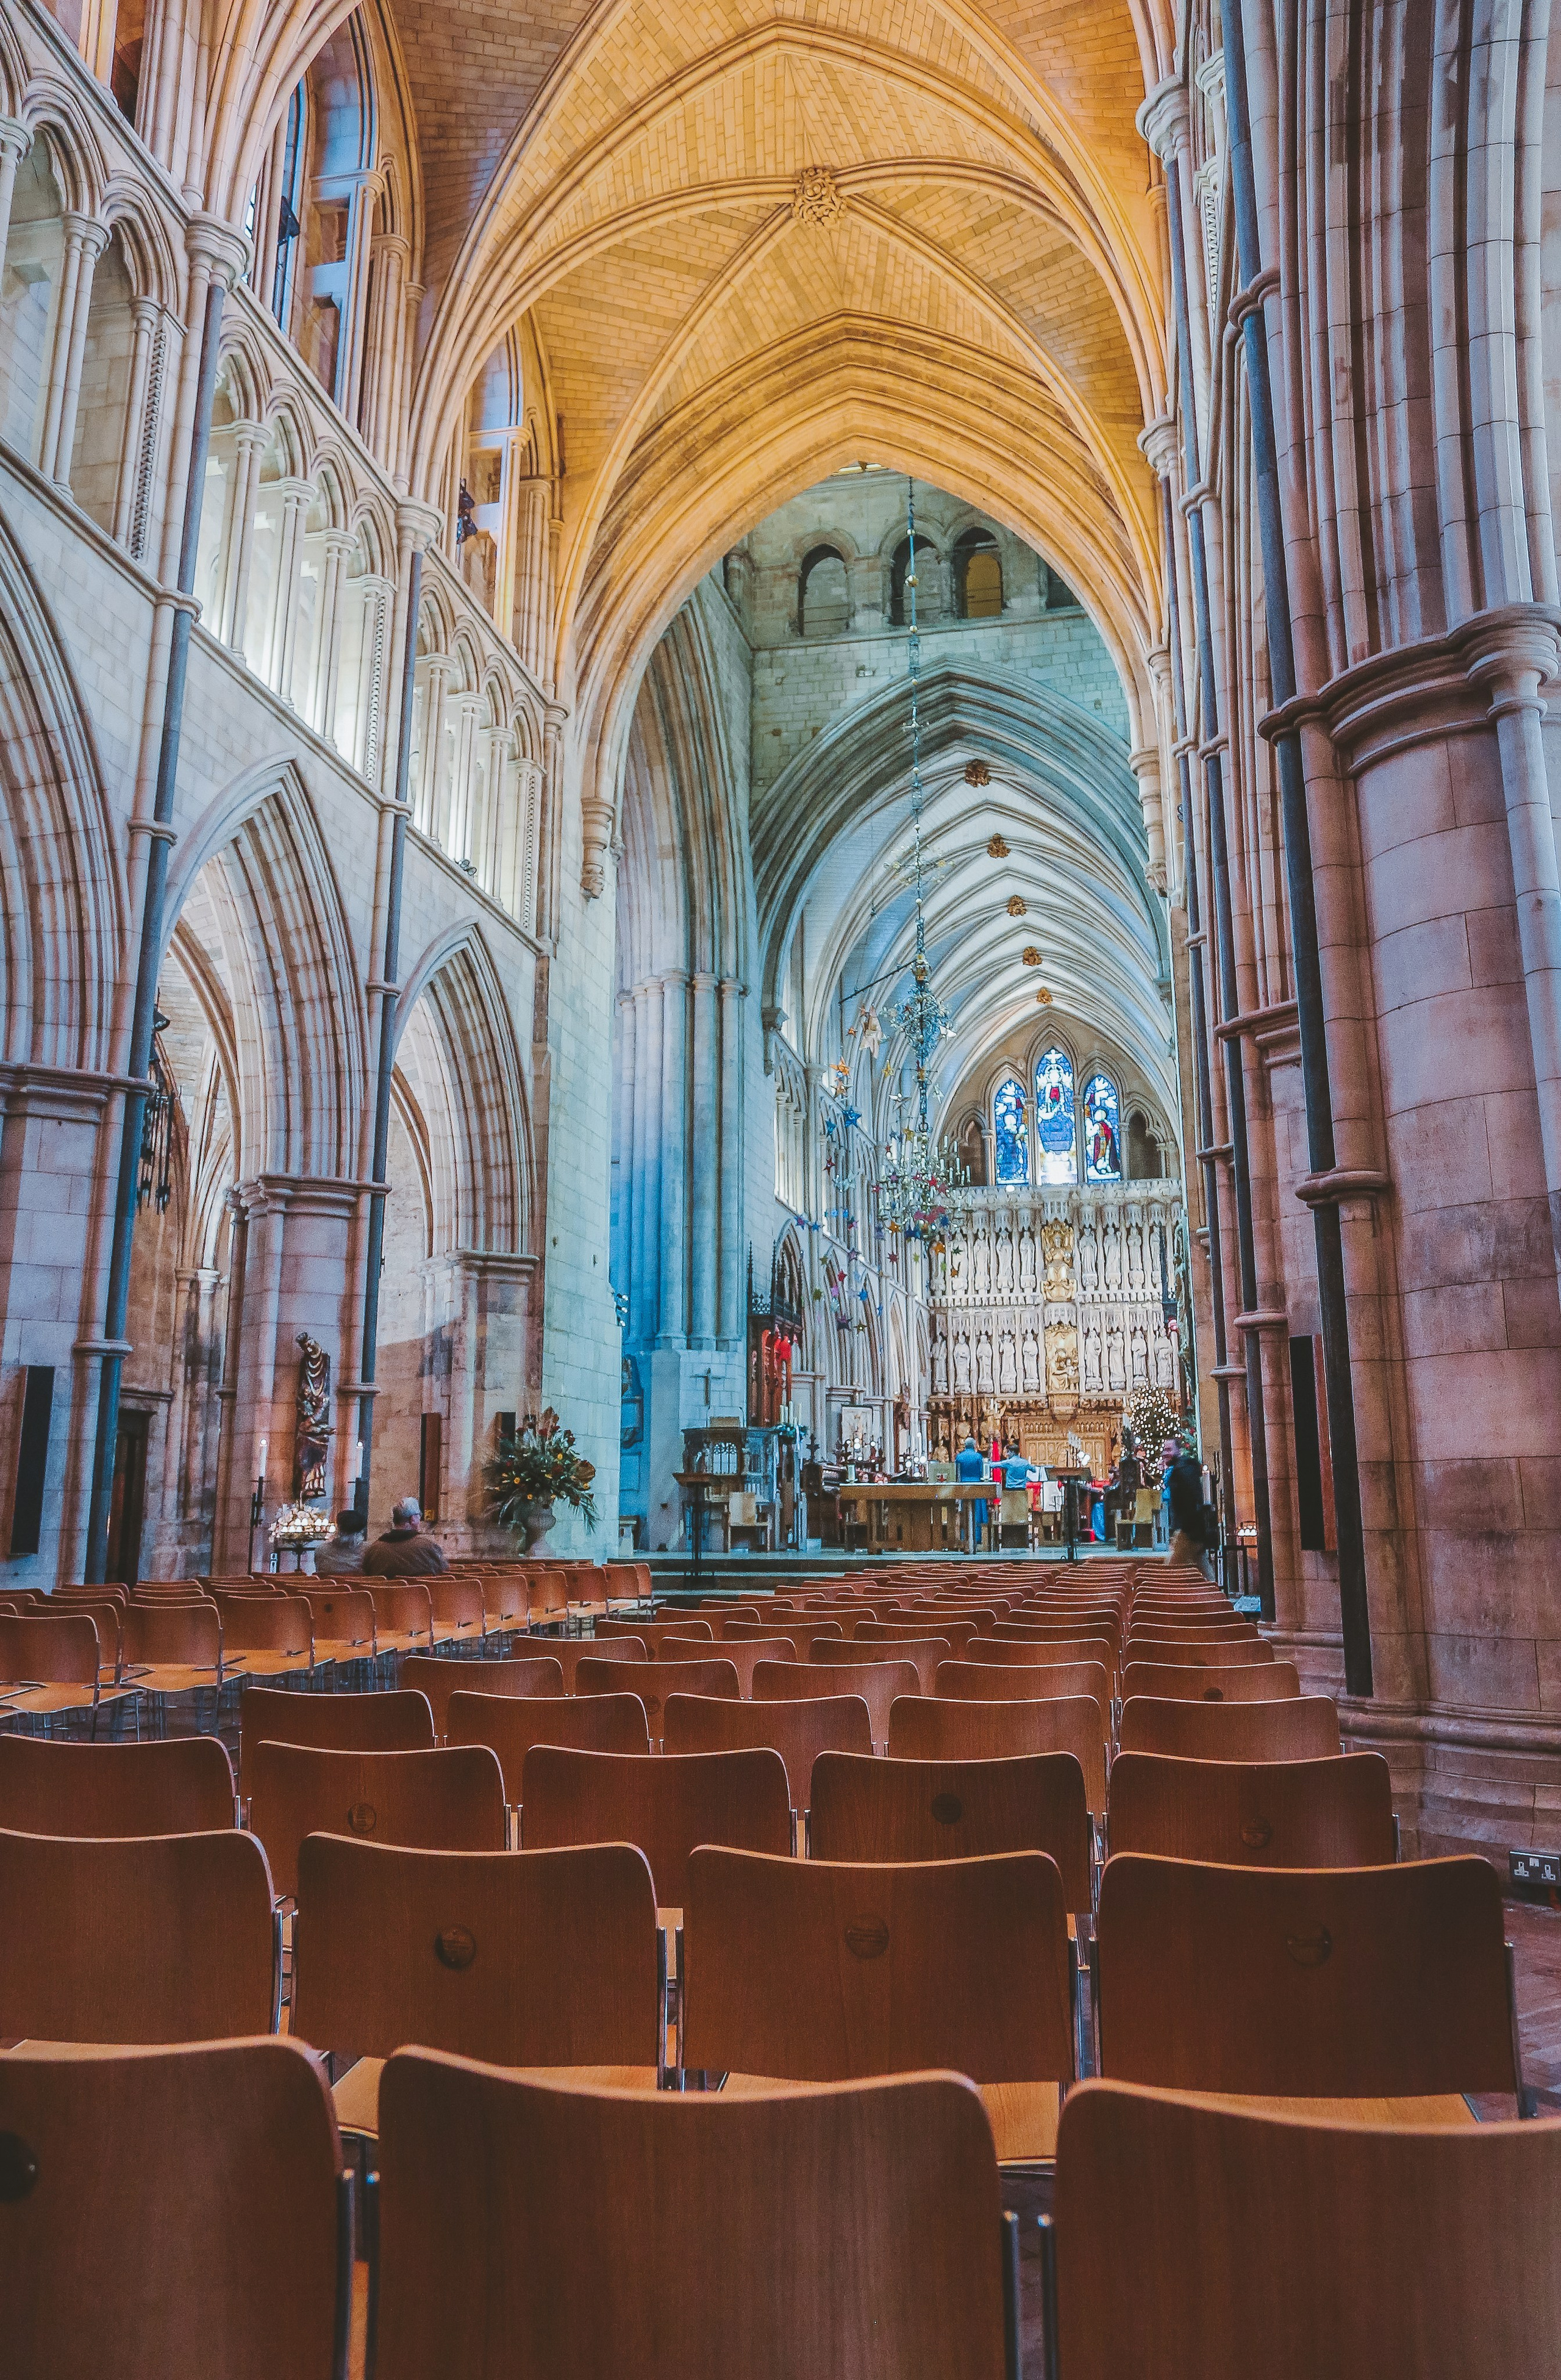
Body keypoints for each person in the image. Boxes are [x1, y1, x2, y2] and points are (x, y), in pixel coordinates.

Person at [361, 1494, 449, 1577]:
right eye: (419, 1516)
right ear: (413, 1519)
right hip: (419, 1593)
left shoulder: (374, 1550)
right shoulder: (427, 1546)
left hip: (383, 1593)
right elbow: (443, 1571)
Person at [1163, 1439, 1207, 1571]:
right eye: (1164, 1449)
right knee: (1203, 1567)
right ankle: (1214, 1590)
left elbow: (1190, 1500)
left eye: (1169, 1450)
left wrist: (1184, 1528)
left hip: (1189, 1530)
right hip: (1193, 1529)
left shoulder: (1183, 1470)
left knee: (1171, 1571)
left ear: (1179, 1451)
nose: (1165, 1453)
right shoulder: (1182, 1468)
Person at [955, 1432, 988, 1550]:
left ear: (965, 1445)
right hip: (976, 1486)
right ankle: (978, 1536)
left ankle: (964, 1537)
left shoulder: (959, 1457)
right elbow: (981, 1472)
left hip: (963, 1486)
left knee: (964, 1512)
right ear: (974, 1445)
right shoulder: (978, 1457)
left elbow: (957, 1473)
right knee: (977, 1512)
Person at [313, 1508, 366, 1575]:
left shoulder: (321, 1550)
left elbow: (319, 1570)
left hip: (330, 1585)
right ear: (361, 1531)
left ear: (338, 1528)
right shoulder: (368, 1550)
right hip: (359, 1586)